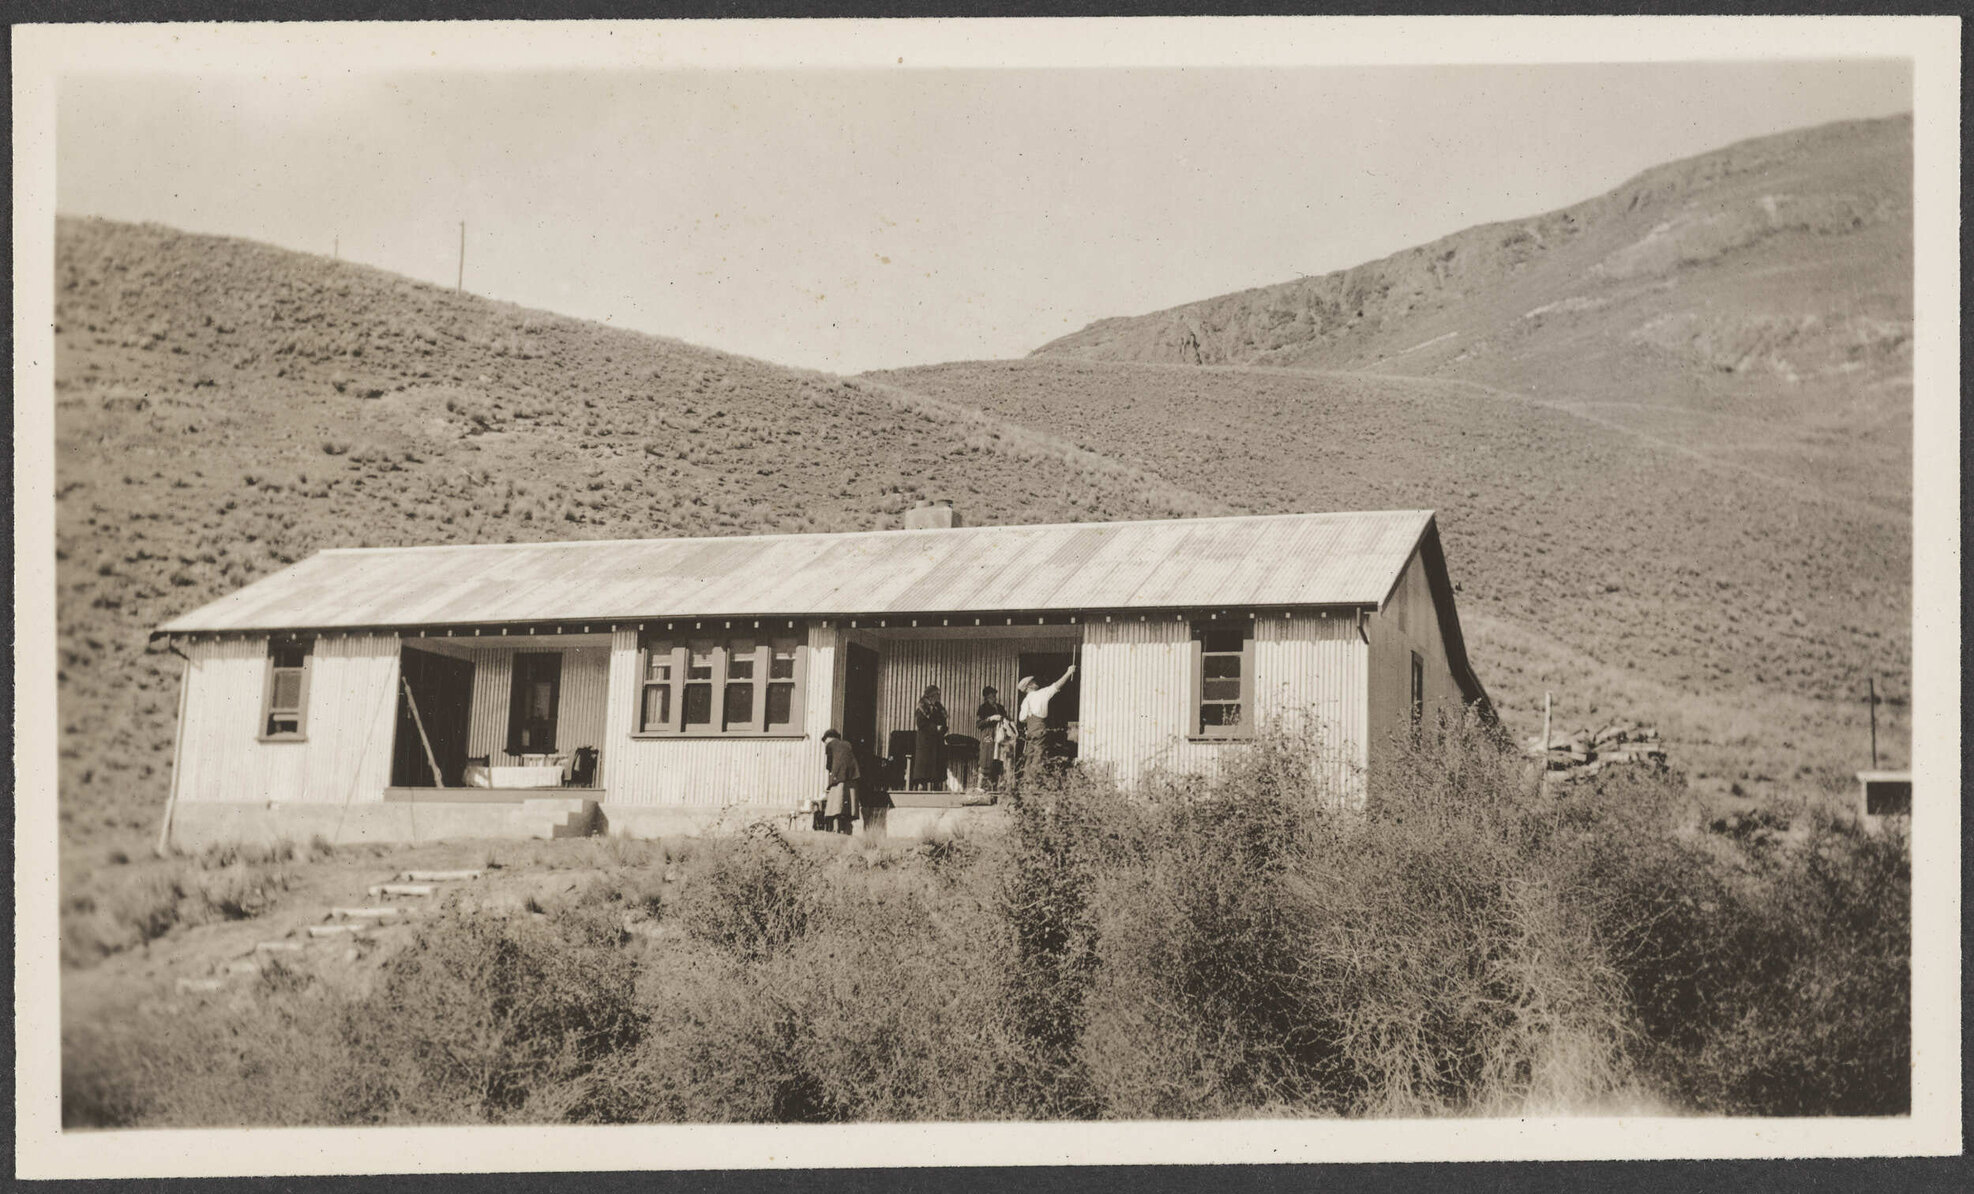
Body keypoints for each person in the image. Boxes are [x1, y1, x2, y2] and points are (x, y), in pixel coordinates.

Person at [1016, 664, 1076, 787]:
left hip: (1030, 733)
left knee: (1029, 758)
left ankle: (1025, 785)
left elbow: (1021, 719)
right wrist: (1069, 672)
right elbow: (1057, 685)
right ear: (1029, 686)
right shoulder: (1041, 694)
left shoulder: (1025, 701)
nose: (1035, 682)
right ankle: (1033, 786)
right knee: (1038, 758)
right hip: (1040, 732)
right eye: (1033, 682)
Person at [821, 728, 860, 834]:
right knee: (849, 805)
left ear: (828, 739)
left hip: (839, 778)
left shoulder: (830, 745)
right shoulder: (847, 744)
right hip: (852, 777)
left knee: (836, 805)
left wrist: (831, 774)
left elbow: (829, 765)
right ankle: (847, 830)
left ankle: (836, 829)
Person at [911, 685, 948, 790]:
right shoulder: (922, 707)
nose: (939, 696)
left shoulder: (939, 707)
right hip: (925, 741)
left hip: (937, 741)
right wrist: (935, 728)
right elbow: (921, 724)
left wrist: (942, 728)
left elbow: (943, 722)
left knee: (937, 765)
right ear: (931, 696)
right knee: (924, 767)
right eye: (937, 694)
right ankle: (921, 786)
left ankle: (936, 787)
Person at [975, 685, 1011, 792]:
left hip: (999, 736)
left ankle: (995, 788)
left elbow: (1007, 718)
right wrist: (990, 718)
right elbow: (979, 724)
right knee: (986, 760)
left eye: (995, 696)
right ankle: (980, 787)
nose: (994, 698)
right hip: (988, 736)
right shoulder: (982, 708)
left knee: (998, 761)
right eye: (991, 696)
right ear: (986, 697)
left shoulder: (1000, 707)